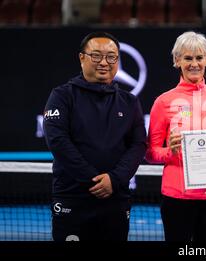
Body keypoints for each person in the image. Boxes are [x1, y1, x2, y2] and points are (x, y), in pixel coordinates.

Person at [43, 32, 147, 241]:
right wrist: (95, 180)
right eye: (96, 56)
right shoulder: (61, 96)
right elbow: (58, 141)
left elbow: (138, 145)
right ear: (82, 58)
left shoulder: (129, 101)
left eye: (111, 57)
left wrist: (114, 180)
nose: (104, 62)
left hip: (116, 199)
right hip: (72, 198)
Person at [145, 31, 206, 242]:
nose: (194, 63)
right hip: (176, 195)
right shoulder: (161, 101)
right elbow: (150, 152)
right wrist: (170, 152)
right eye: (187, 58)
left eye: (199, 57)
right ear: (177, 61)